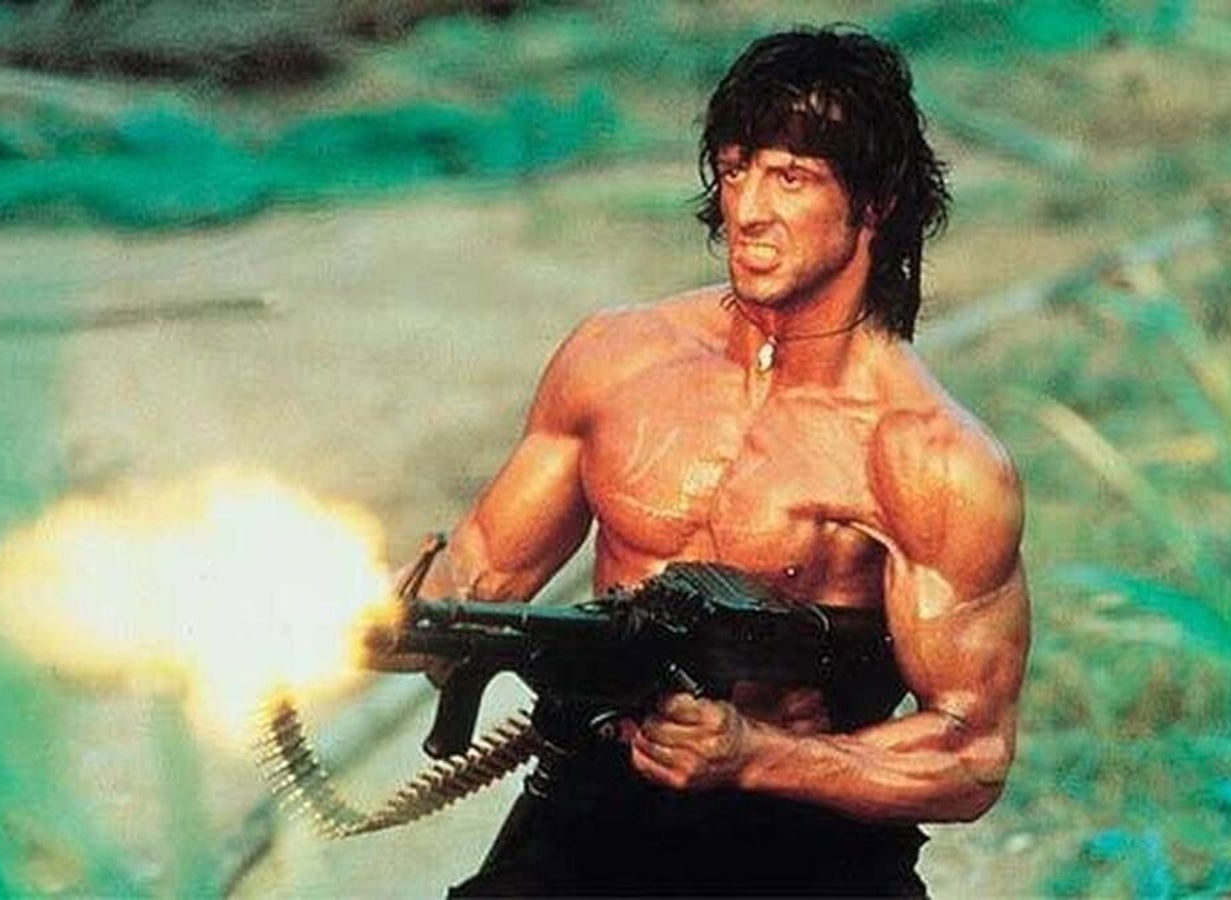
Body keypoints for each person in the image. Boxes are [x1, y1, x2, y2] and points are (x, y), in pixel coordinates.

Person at [402, 25, 1030, 897]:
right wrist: (358, 616)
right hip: (597, 808)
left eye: (791, 177)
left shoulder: (929, 456)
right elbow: (480, 572)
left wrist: (757, 755)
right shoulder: (617, 360)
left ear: (875, 203)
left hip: (806, 843)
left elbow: (972, 754)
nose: (748, 210)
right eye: (735, 170)